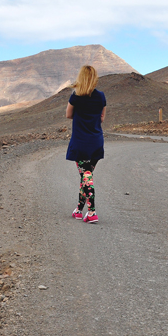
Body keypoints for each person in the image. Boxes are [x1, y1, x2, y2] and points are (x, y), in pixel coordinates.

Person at [65, 65, 106, 223]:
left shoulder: (75, 96)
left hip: (81, 141)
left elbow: (68, 115)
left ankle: (92, 212)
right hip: (96, 141)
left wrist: (80, 115)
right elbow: (102, 118)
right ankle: (78, 210)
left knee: (86, 176)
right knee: (86, 176)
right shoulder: (101, 96)